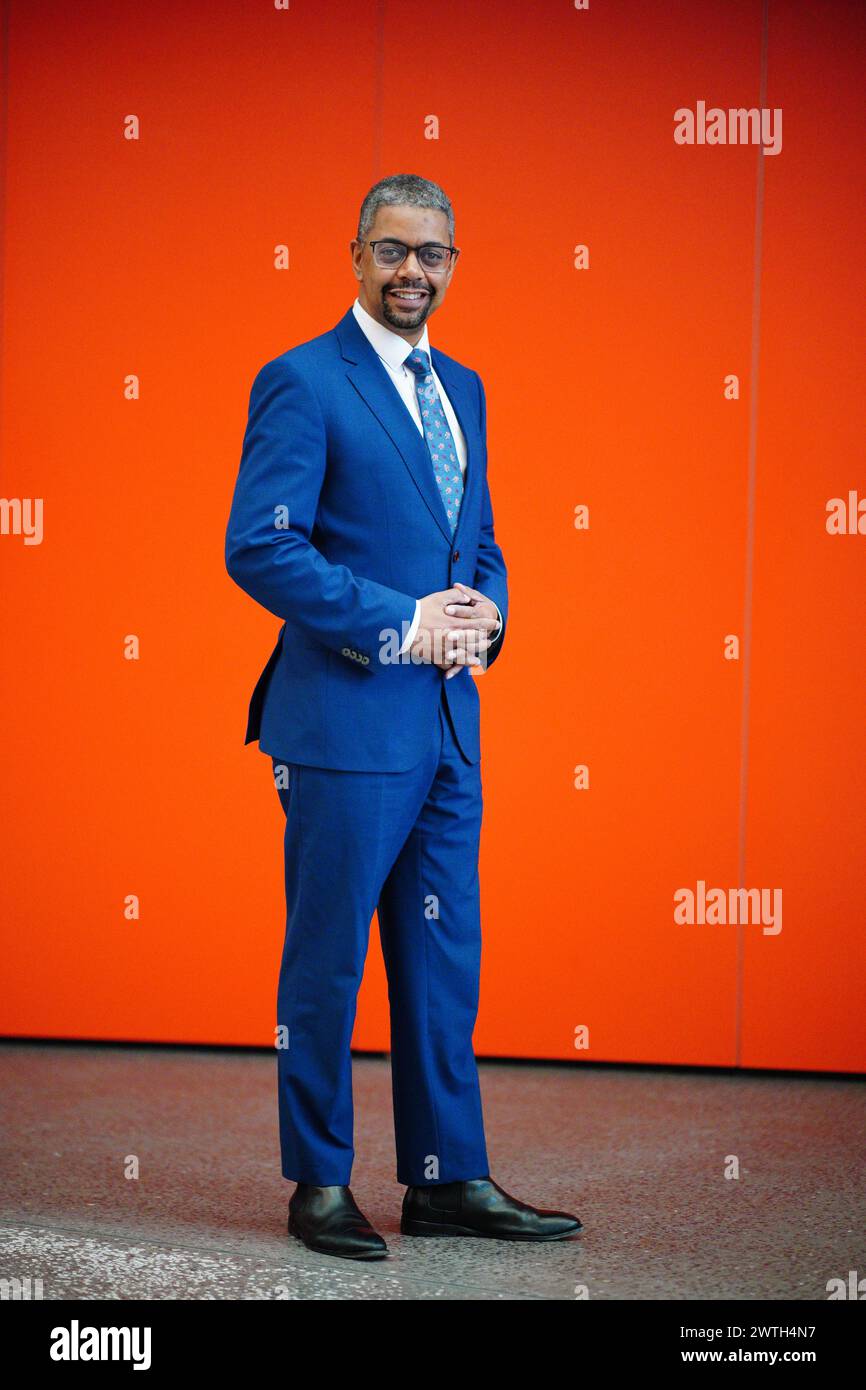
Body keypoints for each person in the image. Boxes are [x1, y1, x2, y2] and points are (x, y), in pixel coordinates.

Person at [225, 173, 581, 1259]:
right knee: (327, 959)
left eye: (430, 254)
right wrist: (402, 621)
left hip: (443, 724)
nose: (411, 270)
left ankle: (443, 1177)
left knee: (441, 960)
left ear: (452, 265)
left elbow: (474, 536)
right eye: (390, 250)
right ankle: (317, 1181)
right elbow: (261, 545)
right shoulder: (302, 380)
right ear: (354, 255)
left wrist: (487, 614)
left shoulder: (461, 386)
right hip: (339, 725)